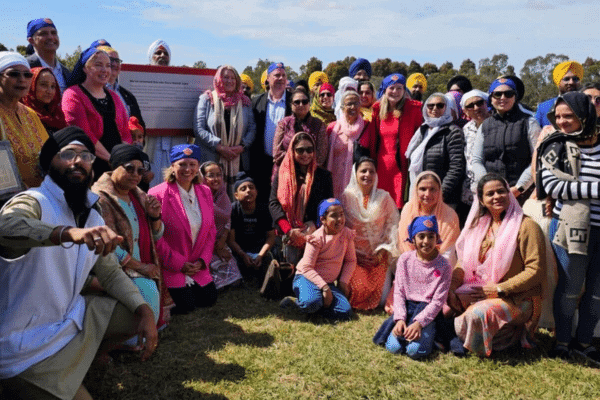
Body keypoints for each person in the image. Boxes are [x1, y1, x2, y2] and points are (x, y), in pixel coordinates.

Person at [0, 126, 157, 400]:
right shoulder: (33, 200)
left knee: (133, 310)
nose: (78, 161)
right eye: (68, 154)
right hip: (23, 346)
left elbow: (109, 273)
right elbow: (6, 226)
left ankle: (83, 359)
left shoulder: (90, 213)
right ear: (49, 162)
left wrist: (145, 311)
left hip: (66, 320)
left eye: (86, 155)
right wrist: (66, 233)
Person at [448, 173, 545, 357]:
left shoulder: (526, 226)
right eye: (490, 194)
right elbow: (464, 261)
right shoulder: (479, 226)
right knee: (445, 302)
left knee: (477, 315)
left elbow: (536, 270)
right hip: (481, 289)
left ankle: (477, 346)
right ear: (482, 201)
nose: (496, 196)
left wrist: (499, 289)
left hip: (518, 298)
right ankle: (490, 337)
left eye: (501, 191)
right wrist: (452, 286)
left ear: (509, 194)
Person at [537, 92, 600, 363]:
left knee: (597, 292)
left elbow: (568, 188)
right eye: (558, 116)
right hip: (569, 228)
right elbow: (553, 187)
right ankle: (562, 340)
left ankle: (585, 342)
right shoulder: (555, 145)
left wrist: (580, 190)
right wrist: (597, 188)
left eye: (569, 116)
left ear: (584, 116)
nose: (562, 122)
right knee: (570, 288)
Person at [92, 144, 174, 331]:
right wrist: (141, 267)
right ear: (115, 166)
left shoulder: (138, 195)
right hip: (116, 269)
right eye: (129, 168)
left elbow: (157, 235)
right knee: (147, 290)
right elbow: (109, 244)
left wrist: (154, 217)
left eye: (140, 171)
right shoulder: (100, 199)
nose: (136, 175)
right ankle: (127, 341)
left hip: (144, 263)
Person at [148, 144, 218, 314]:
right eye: (182, 164)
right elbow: (156, 237)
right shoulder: (157, 194)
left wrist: (203, 260)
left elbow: (211, 231)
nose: (188, 169)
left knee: (209, 299)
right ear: (172, 166)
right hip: (172, 265)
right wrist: (180, 264)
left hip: (197, 264)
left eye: (192, 164)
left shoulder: (205, 191)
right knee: (187, 306)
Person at [373, 215, 451, 359]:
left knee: (414, 351)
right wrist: (400, 319)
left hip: (427, 312)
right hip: (406, 309)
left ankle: (433, 337)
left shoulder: (444, 265)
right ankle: (409, 330)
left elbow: (437, 302)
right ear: (413, 239)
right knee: (393, 348)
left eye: (431, 236)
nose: (426, 241)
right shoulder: (405, 260)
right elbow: (399, 293)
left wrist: (419, 323)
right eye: (421, 236)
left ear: (437, 238)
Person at [280, 198, 356, 320]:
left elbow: (350, 261)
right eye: (334, 216)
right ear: (323, 220)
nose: (340, 219)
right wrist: (324, 288)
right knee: (312, 303)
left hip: (328, 283)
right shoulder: (316, 238)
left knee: (345, 312)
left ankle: (317, 306)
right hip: (307, 278)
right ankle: (295, 303)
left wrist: (343, 281)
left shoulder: (347, 234)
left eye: (341, 214)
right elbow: (306, 267)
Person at [62, 47, 131, 180]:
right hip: (89, 166)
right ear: (85, 68)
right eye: (98, 65)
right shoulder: (73, 95)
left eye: (108, 66)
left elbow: (125, 132)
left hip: (117, 165)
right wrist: (112, 160)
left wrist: (123, 157)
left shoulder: (114, 96)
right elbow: (84, 135)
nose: (105, 70)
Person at [342, 157, 399, 310]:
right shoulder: (346, 198)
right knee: (358, 289)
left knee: (380, 301)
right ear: (355, 174)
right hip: (354, 258)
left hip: (377, 258)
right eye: (363, 171)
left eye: (371, 171)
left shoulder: (384, 197)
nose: (367, 175)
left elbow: (393, 227)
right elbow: (341, 231)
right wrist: (354, 254)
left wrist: (381, 252)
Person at [471, 78, 540, 203]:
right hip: (491, 197)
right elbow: (476, 160)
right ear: (491, 98)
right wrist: (488, 186)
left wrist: (519, 188)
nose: (503, 97)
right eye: (497, 94)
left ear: (515, 97)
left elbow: (537, 159)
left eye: (508, 94)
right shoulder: (485, 126)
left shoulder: (529, 122)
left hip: (522, 195)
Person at [269, 132, 333, 265]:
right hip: (287, 233)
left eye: (309, 149)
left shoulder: (324, 176)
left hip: (314, 232)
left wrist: (314, 225)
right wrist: (289, 230)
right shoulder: (282, 174)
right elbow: (273, 203)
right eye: (300, 150)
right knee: (287, 273)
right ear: (292, 151)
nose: (305, 154)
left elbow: (328, 206)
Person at [194, 65, 256, 195]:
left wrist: (242, 146)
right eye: (225, 77)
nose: (230, 81)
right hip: (213, 158)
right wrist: (220, 147)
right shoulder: (207, 99)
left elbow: (252, 128)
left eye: (233, 77)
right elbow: (199, 128)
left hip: (238, 159)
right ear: (218, 79)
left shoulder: (245, 102)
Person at [365, 73, 423, 209]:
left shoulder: (413, 109)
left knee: (400, 206)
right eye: (392, 88)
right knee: (380, 205)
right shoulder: (377, 110)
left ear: (404, 90)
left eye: (399, 88)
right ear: (385, 90)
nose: (395, 92)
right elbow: (373, 140)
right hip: (381, 166)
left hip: (403, 166)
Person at [405, 93, 465, 207]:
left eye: (440, 105)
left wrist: (439, 194)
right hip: (421, 196)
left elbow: (456, 167)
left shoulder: (453, 132)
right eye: (430, 106)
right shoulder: (422, 131)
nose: (434, 109)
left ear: (447, 108)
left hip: (443, 200)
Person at [144, 40, 190, 187]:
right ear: (151, 56)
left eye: (165, 53)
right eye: (158, 53)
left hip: (173, 140)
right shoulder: (142, 79)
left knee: (173, 183)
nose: (162, 56)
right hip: (152, 143)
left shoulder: (178, 80)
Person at [0, 52, 49, 189]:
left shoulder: (30, 114)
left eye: (27, 75)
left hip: (40, 194)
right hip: (9, 202)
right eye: (14, 74)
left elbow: (48, 151)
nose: (22, 79)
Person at [251, 62, 292, 205]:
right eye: (277, 75)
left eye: (283, 75)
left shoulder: (294, 101)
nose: (281, 78)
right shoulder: (256, 102)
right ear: (268, 78)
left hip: (286, 162)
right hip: (261, 162)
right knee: (262, 200)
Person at [398, 172, 461, 261]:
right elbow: (404, 243)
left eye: (433, 189)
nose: (427, 194)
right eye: (423, 189)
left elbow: (448, 251)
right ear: (416, 190)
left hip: (441, 266)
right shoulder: (408, 210)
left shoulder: (450, 215)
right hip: (409, 263)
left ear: (439, 191)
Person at [200, 161, 243, 290]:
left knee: (235, 281)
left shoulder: (223, 195)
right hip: (203, 244)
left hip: (220, 241)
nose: (216, 179)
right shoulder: (199, 197)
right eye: (211, 175)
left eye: (219, 175)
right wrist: (214, 247)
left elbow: (227, 220)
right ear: (202, 178)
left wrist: (223, 239)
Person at [228, 172, 276, 281]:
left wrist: (260, 255)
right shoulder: (233, 210)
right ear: (236, 195)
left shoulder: (264, 209)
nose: (248, 190)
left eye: (251, 187)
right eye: (243, 189)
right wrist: (243, 255)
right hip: (240, 251)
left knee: (270, 260)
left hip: (261, 250)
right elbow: (230, 240)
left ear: (256, 192)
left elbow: (271, 237)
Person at [327, 90, 372, 198]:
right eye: (349, 104)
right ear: (342, 107)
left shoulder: (368, 127)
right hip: (334, 181)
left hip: (359, 181)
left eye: (356, 103)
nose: (352, 107)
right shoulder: (332, 128)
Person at [273, 87, 327, 176]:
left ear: (309, 104)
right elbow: (277, 153)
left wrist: (305, 168)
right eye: (297, 102)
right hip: (285, 173)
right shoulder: (284, 124)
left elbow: (321, 156)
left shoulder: (319, 124)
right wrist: (298, 159)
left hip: (311, 174)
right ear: (291, 105)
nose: (301, 104)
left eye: (304, 101)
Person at [458, 90, 490, 220]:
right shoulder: (465, 129)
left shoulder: (497, 124)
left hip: (492, 190)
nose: (476, 108)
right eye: (470, 106)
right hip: (469, 193)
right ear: (465, 111)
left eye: (479, 103)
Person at [99, 45, 146, 131]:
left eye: (117, 61)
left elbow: (140, 124)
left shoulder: (128, 96)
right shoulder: (94, 93)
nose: (114, 64)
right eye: (110, 60)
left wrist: (138, 141)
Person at [25, 18, 70, 93]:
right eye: (43, 34)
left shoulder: (66, 72)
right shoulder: (25, 67)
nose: (50, 37)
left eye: (53, 33)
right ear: (31, 41)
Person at [535, 61, 583, 128]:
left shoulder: (589, 104)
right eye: (566, 79)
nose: (571, 82)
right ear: (558, 82)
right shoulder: (543, 108)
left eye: (575, 79)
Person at [20, 66, 66, 135]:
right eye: (44, 85)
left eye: (53, 86)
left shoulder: (57, 115)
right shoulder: (22, 114)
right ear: (31, 85)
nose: (49, 91)